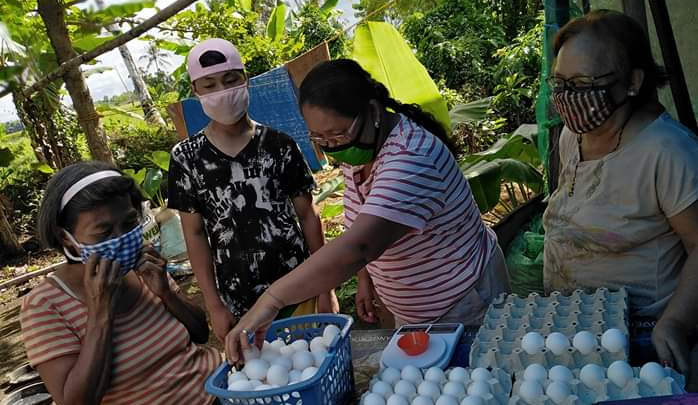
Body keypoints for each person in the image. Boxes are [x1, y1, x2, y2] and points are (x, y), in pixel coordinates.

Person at [224, 59, 511, 362]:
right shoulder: (363, 148)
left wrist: (272, 300)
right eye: (320, 138)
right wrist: (366, 279)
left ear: (372, 111)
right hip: (419, 311)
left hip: (463, 302)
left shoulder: (411, 157)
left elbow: (360, 246)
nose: (332, 147)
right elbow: (361, 221)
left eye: (337, 135)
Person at [543, 10, 698, 376]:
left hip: (641, 339)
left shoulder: (668, 152)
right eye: (559, 83)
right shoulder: (571, 137)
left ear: (633, 82)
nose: (567, 96)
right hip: (575, 331)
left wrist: (676, 321)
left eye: (582, 82)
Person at [167, 38, 338, 342]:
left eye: (230, 80)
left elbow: (308, 215)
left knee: (314, 356)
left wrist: (327, 288)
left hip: (300, 289)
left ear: (245, 79)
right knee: (260, 369)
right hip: (240, 302)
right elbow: (194, 234)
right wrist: (214, 305)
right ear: (196, 91)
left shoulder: (279, 145)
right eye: (209, 85)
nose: (222, 91)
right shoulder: (186, 158)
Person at [20, 161, 222, 405]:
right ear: (66, 238)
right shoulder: (44, 306)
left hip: (220, 389)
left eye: (129, 223)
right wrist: (100, 312)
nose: (121, 239)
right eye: (103, 232)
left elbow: (200, 333)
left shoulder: (143, 268)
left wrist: (166, 293)